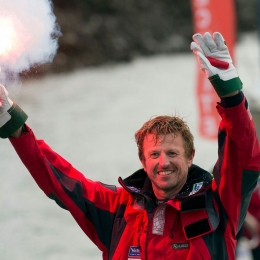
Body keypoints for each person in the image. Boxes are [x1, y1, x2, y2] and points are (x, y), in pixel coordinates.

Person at [1, 32, 260, 260]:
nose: (164, 162)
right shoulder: (116, 210)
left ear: (190, 156)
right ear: (142, 160)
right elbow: (58, 179)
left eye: (173, 153)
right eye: (154, 154)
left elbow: (243, 158)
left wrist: (231, 94)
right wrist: (14, 126)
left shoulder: (217, 203)